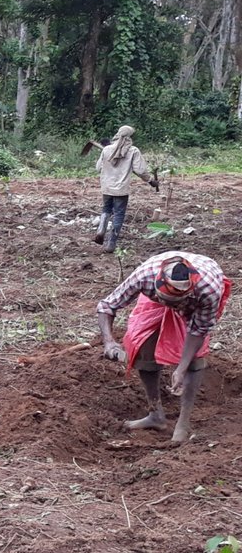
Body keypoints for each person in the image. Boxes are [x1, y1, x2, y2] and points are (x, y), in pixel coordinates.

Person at [97, 251, 229, 444]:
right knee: (142, 346)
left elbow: (199, 330)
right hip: (155, 299)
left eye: (175, 302)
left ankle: (183, 423)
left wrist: (181, 369)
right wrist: (109, 342)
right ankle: (155, 414)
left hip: (194, 305)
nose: (171, 305)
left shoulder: (208, 290)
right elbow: (107, 306)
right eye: (168, 300)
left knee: (195, 358)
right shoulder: (145, 276)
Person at [92, 125, 157, 252]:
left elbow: (98, 168)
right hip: (121, 189)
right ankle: (111, 243)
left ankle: (101, 230)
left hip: (107, 187)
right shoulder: (133, 151)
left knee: (106, 209)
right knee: (119, 215)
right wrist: (151, 181)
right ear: (130, 136)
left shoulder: (106, 150)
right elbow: (140, 170)